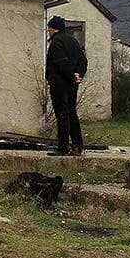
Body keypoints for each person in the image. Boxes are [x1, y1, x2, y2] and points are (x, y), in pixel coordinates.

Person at [44, 15, 87, 156]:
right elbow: (83, 61)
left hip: (59, 83)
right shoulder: (74, 41)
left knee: (62, 114)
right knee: (72, 113)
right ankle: (77, 145)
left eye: (49, 28)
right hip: (72, 84)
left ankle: (63, 147)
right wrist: (78, 75)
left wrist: (70, 75)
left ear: (54, 28)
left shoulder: (56, 42)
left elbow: (61, 62)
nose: (48, 31)